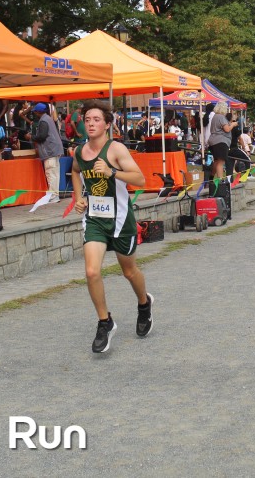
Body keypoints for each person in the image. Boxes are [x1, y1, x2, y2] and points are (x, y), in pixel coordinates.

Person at [70, 100, 151, 354]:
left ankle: (144, 304)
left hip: (120, 220)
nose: (91, 124)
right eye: (87, 120)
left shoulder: (116, 149)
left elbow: (140, 179)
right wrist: (79, 198)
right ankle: (105, 322)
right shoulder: (79, 152)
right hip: (94, 219)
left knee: (129, 272)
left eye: (96, 119)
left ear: (107, 124)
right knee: (92, 271)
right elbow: (75, 171)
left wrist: (111, 172)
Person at [31, 102, 63, 203]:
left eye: (35, 112)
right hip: (54, 150)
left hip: (50, 151)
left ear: (38, 112)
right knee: (55, 174)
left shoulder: (43, 121)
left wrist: (31, 137)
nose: (35, 114)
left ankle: (53, 196)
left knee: (51, 174)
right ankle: (55, 195)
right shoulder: (48, 118)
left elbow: (42, 136)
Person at [206, 101, 236, 183]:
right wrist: (233, 124)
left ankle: (211, 178)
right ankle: (220, 181)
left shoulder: (215, 117)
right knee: (221, 162)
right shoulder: (221, 117)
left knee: (216, 161)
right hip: (221, 142)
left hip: (213, 141)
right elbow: (227, 129)